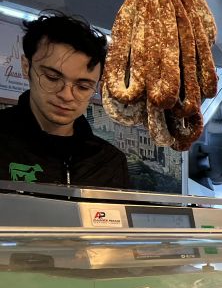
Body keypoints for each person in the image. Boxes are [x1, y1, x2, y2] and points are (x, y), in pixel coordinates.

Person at [0, 12, 129, 188]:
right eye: (52, 78)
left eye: (83, 86)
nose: (66, 95)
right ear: (26, 66)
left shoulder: (110, 162)